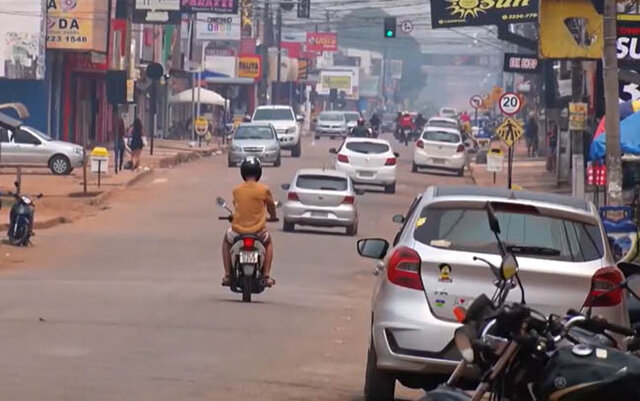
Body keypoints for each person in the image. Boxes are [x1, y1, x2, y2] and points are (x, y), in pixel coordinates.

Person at [222, 158, 277, 287]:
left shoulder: (237, 190)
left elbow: (238, 207)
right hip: (258, 232)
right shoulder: (264, 190)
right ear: (259, 173)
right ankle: (266, 275)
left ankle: (228, 275)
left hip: (238, 231)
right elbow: (270, 206)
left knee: (226, 240)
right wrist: (273, 217)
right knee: (268, 243)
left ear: (243, 172)